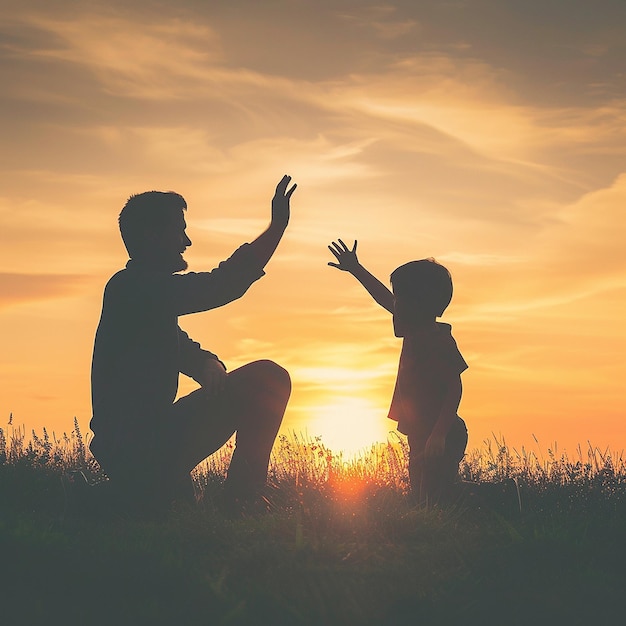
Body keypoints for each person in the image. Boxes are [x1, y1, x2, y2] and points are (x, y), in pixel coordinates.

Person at [90, 175, 296, 514]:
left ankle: (140, 498)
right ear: (151, 236)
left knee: (172, 508)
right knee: (269, 379)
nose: (186, 241)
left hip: (144, 445)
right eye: (179, 230)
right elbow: (220, 285)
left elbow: (180, 345)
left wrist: (206, 364)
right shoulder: (133, 288)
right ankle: (241, 503)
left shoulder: (142, 294)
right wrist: (276, 228)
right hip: (140, 449)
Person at [328, 239, 468, 504]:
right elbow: (383, 297)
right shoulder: (415, 332)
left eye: (400, 299)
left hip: (442, 430)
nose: (394, 307)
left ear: (419, 305)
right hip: (421, 429)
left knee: (439, 494)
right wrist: (356, 269)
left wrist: (438, 433)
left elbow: (454, 388)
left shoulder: (438, 341)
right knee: (424, 495)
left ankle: (502, 494)